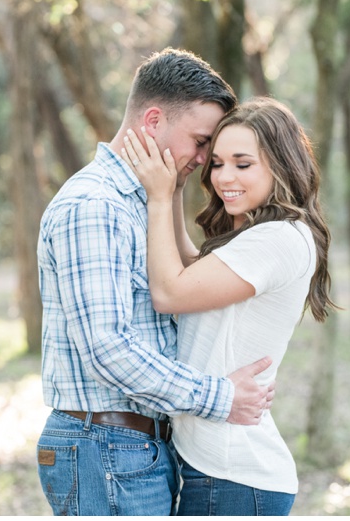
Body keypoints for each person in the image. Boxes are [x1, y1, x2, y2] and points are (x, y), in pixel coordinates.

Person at [36, 48, 276, 516]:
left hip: (132, 447)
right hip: (105, 446)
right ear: (152, 120)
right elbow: (107, 347)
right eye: (202, 141)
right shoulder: (95, 207)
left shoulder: (141, 203)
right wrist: (220, 396)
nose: (207, 160)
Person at [120, 96, 337, 516]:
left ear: (281, 164)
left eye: (243, 163)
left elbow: (169, 293)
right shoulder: (263, 234)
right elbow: (189, 267)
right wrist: (178, 187)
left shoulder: (277, 238)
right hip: (220, 469)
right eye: (216, 163)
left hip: (234, 476)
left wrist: (160, 199)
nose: (223, 177)